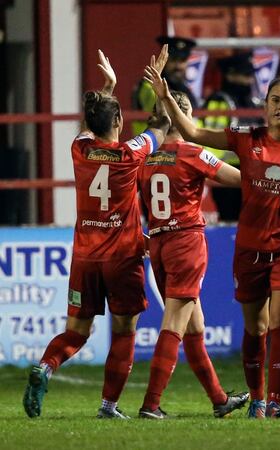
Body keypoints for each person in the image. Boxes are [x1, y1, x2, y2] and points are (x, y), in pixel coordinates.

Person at [146, 64, 280, 419]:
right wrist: (164, 97)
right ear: (265, 104)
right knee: (255, 326)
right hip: (251, 248)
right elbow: (193, 130)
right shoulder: (245, 138)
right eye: (275, 100)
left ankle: (275, 402)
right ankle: (257, 398)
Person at [23, 48, 171, 419]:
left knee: (76, 331)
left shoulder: (80, 149)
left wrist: (109, 86)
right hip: (122, 258)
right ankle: (108, 406)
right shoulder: (130, 154)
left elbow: (90, 126)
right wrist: (160, 90)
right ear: (119, 119)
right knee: (125, 331)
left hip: (85, 258)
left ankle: (46, 367)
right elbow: (161, 126)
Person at [136, 90, 249, 419]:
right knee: (174, 324)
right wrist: (269, 166)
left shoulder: (147, 157)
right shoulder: (192, 153)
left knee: (194, 327)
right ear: (184, 116)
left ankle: (218, 399)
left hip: (157, 242)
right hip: (185, 242)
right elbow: (239, 179)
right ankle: (151, 404)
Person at [203, 52, 264, 222]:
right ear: (230, 75)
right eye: (245, 75)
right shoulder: (219, 101)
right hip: (226, 172)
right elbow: (210, 141)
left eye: (251, 76)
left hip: (254, 169)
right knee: (231, 220)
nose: (249, 81)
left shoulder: (255, 103)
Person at [133, 36, 198, 136]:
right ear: (164, 61)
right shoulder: (148, 84)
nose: (178, 66)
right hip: (151, 146)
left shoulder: (185, 88)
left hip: (180, 145)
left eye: (182, 60)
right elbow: (161, 109)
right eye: (173, 60)